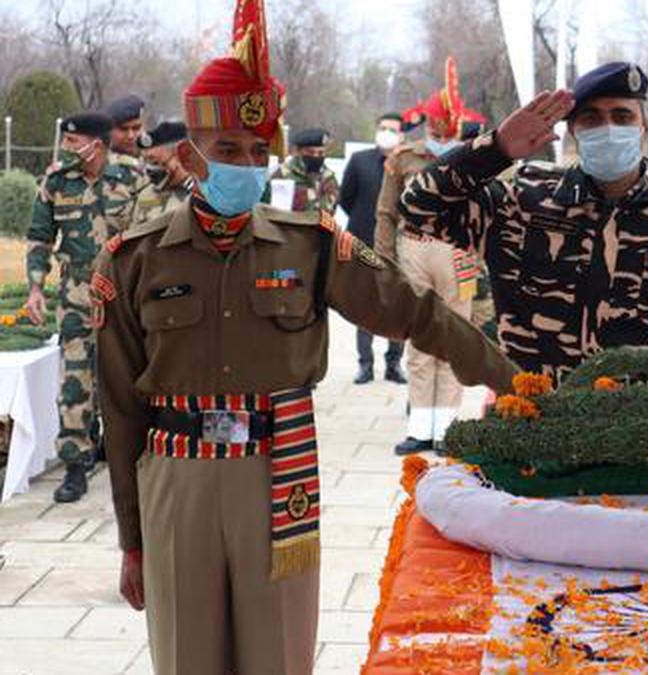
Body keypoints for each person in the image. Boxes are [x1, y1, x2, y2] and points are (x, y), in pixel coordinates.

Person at [93, 5, 517, 673]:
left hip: (275, 473)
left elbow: (416, 312)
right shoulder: (134, 260)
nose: (246, 166)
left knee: (278, 655)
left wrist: (511, 378)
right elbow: (118, 406)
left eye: (259, 152)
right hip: (178, 479)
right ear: (188, 156)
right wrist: (131, 537)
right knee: (187, 658)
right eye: (228, 151)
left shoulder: (311, 245)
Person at [397, 61, 648, 384]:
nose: (608, 128)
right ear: (572, 128)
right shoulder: (523, 202)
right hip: (538, 423)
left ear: (644, 126)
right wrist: (497, 148)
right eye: (591, 117)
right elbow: (419, 207)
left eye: (622, 116)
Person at [24, 112, 139, 503]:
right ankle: (76, 464)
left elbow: (148, 237)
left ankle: (122, 450)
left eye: (75, 143)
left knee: (126, 375)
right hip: (75, 296)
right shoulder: (56, 181)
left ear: (96, 144)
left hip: (123, 298)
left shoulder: (131, 178)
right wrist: (36, 288)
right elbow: (39, 238)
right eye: (67, 141)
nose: (67, 148)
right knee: (75, 379)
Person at [376, 57, 483, 454]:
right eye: (438, 123)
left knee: (454, 338)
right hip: (414, 249)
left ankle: (447, 430)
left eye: (448, 124)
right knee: (420, 339)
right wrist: (384, 262)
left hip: (458, 251)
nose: (443, 130)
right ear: (429, 124)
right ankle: (421, 427)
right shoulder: (405, 158)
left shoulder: (473, 158)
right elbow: (385, 213)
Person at [339, 112, 406, 384]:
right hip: (363, 242)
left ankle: (394, 364)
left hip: (398, 247)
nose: (386, 133)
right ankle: (365, 364)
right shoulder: (360, 161)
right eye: (382, 128)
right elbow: (346, 198)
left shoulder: (407, 163)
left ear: (401, 136)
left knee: (398, 307)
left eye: (392, 129)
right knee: (365, 305)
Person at [132, 120, 193, 224]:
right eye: (147, 162)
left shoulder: (203, 194)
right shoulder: (145, 197)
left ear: (181, 155)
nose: (150, 170)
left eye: (157, 163)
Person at [268, 127, 339, 214]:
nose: (316, 156)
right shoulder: (283, 174)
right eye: (310, 152)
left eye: (320, 153)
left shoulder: (328, 178)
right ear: (298, 151)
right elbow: (271, 205)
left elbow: (331, 207)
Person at [103, 93, 152, 210]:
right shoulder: (100, 168)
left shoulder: (156, 162)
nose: (131, 136)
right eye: (123, 129)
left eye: (136, 128)